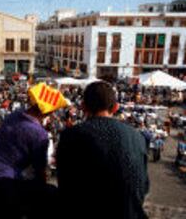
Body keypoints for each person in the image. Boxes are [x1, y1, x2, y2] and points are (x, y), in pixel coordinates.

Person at [57, 81, 149, 219]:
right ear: (116, 107)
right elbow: (144, 186)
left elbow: (65, 184)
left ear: (83, 106)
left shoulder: (71, 135)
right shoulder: (137, 136)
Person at [0, 83, 69, 219]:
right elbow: (40, 171)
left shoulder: (14, 116)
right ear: (49, 112)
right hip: (5, 184)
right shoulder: (39, 134)